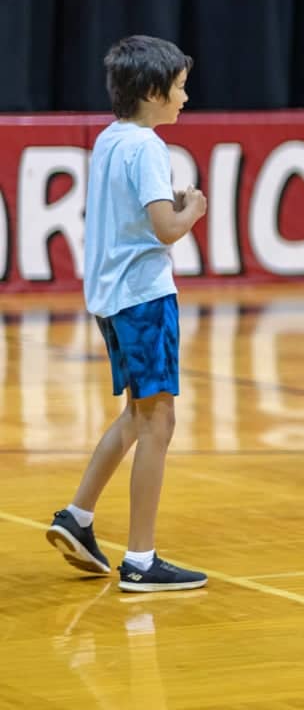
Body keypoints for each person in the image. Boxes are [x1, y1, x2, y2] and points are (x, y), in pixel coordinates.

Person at [45, 35, 209, 593]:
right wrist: (193, 210)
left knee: (138, 416)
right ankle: (141, 559)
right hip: (143, 296)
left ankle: (78, 517)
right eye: (181, 88)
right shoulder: (147, 149)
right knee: (159, 421)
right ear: (154, 92)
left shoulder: (112, 140)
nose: (186, 98)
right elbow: (164, 226)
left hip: (112, 298)